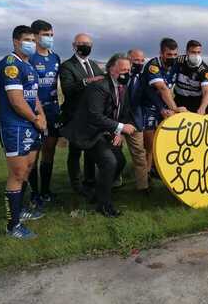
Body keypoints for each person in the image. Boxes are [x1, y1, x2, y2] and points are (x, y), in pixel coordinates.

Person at [61, 54, 136, 217]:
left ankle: (99, 191)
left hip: (105, 131)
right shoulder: (99, 87)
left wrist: (118, 131)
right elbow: (94, 115)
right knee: (109, 162)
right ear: (111, 70)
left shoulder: (123, 87)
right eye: (123, 70)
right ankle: (104, 205)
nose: (126, 73)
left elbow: (123, 111)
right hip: (88, 132)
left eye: (128, 70)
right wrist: (120, 127)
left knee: (120, 161)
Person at [0, 25, 47, 239]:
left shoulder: (29, 65)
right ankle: (12, 226)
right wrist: (35, 119)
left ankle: (21, 210)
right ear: (16, 41)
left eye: (34, 40)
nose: (32, 44)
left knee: (27, 169)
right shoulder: (11, 65)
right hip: (14, 126)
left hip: (31, 125)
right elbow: (16, 102)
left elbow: (33, 96)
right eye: (27, 40)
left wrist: (41, 115)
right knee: (17, 174)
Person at [59, 33, 104, 195]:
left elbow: (103, 81)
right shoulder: (67, 66)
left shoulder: (93, 64)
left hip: (92, 116)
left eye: (88, 43)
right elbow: (68, 89)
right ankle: (76, 184)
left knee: (91, 149)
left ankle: (90, 180)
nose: (86, 46)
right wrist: (87, 81)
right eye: (82, 43)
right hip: (75, 115)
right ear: (74, 46)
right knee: (75, 151)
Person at [141, 38, 187, 175]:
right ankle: (145, 176)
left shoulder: (177, 64)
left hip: (164, 107)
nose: (172, 58)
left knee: (164, 142)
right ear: (161, 53)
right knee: (149, 145)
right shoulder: (153, 65)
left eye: (175, 55)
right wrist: (174, 108)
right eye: (169, 55)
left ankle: (159, 170)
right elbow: (162, 88)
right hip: (148, 107)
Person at [27, 20, 61, 206]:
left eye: (51, 35)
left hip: (53, 111)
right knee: (34, 153)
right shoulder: (30, 57)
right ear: (36, 36)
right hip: (34, 112)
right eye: (45, 35)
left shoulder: (55, 57)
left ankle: (46, 191)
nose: (49, 38)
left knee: (50, 150)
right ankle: (34, 193)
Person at [124, 49, 150, 193]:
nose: (139, 63)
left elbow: (151, 95)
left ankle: (143, 187)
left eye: (142, 61)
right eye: (136, 60)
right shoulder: (119, 75)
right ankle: (113, 182)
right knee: (113, 155)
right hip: (116, 121)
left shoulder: (144, 78)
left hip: (136, 122)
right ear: (128, 59)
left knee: (140, 155)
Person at [174, 40, 208, 114]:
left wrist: (202, 108)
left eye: (198, 52)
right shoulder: (178, 61)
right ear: (187, 52)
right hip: (179, 99)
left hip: (196, 101)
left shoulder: (204, 69)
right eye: (193, 52)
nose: (196, 55)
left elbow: (207, 91)